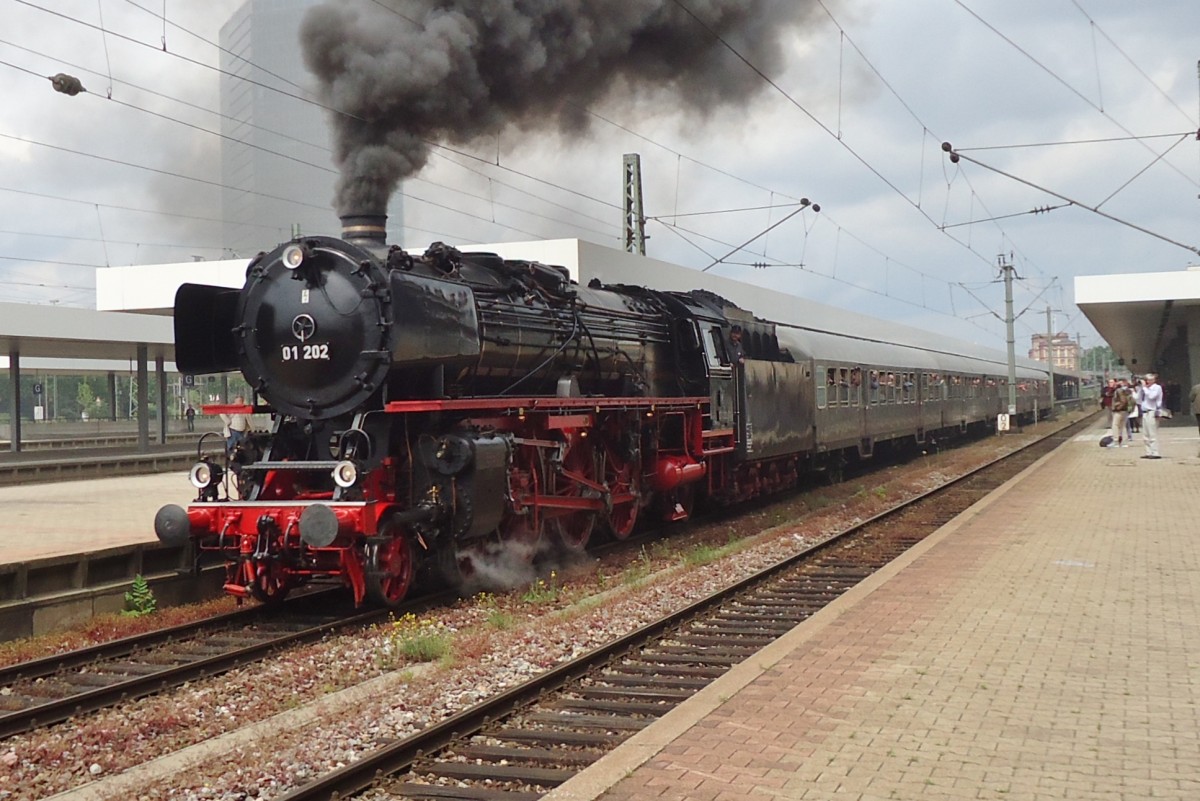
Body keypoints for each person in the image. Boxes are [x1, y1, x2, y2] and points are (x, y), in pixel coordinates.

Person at [1138, 373, 1164, 459]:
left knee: (1152, 433)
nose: (1147, 382)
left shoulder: (1157, 388)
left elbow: (1152, 396)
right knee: (1145, 434)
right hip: (1145, 412)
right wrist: (1140, 389)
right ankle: (1148, 452)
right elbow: (1138, 400)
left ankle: (1155, 452)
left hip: (1152, 412)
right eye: (1146, 380)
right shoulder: (1145, 389)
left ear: (1153, 380)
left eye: (1149, 380)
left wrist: (1145, 388)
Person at [1108, 380, 1132, 447]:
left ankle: (1116, 441)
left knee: (1115, 425)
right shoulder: (1127, 391)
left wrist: (1117, 408)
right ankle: (1121, 442)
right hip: (1125, 411)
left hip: (1119, 411)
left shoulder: (1119, 391)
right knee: (1121, 426)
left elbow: (1123, 401)